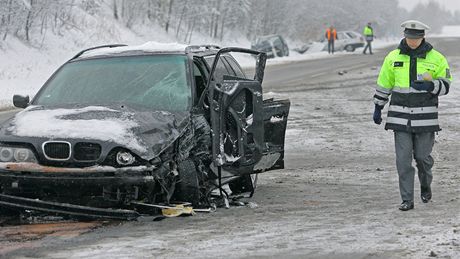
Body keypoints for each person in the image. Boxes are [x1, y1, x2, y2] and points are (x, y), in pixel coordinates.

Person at [372, 20, 452, 211]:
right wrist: (378, 106)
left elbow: (446, 85)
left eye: (416, 39)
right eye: (409, 38)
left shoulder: (437, 58)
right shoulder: (393, 57)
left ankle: (425, 184)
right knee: (402, 161)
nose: (412, 42)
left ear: (423, 37)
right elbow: (385, 83)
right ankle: (407, 199)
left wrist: (430, 86)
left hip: (426, 118)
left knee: (423, 158)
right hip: (400, 118)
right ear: (405, 36)